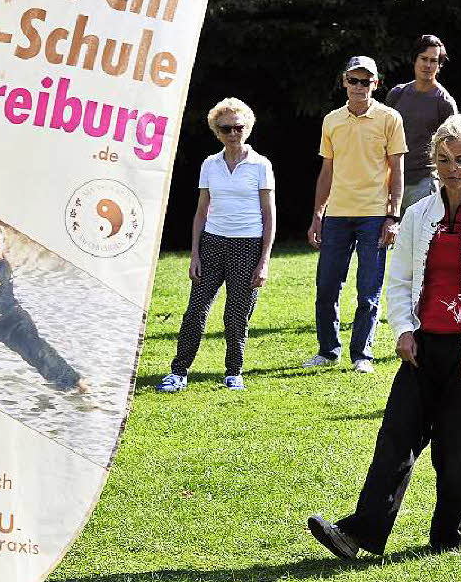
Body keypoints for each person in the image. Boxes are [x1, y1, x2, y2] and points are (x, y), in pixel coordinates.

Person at [308, 114, 461, 558]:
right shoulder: (419, 214)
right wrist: (404, 329)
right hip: (424, 347)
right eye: (443, 159)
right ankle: (361, 533)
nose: (452, 168)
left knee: (457, 449)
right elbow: (400, 280)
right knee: (395, 439)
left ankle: (447, 538)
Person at [157, 98, 275, 392]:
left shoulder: (261, 165)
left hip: (247, 246)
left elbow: (268, 214)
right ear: (216, 131)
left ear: (247, 128)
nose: (233, 133)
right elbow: (201, 211)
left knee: (235, 315)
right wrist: (194, 253)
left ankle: (234, 372)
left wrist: (264, 260)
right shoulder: (210, 164)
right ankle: (179, 372)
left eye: (238, 127)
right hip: (212, 243)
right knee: (195, 310)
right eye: (226, 129)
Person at [303, 56, 407, 374]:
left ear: (375, 84)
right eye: (354, 80)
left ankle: (362, 354)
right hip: (336, 215)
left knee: (368, 288)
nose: (359, 87)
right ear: (344, 82)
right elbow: (327, 171)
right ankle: (328, 350)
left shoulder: (390, 119)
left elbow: (398, 170)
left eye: (366, 81)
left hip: (374, 215)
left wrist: (393, 216)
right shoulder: (331, 121)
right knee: (327, 286)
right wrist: (317, 214)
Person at [0, 224, 88, 393]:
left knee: (39, 355)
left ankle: (76, 383)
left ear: (3, 245)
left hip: (14, 322)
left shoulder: (2, 269)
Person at [385, 35, 458, 210]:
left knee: (420, 236)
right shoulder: (397, 94)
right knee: (387, 237)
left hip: (424, 182)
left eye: (433, 61)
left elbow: (454, 148)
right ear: (414, 59)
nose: (427, 65)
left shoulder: (445, 102)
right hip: (390, 179)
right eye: (423, 59)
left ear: (439, 65)